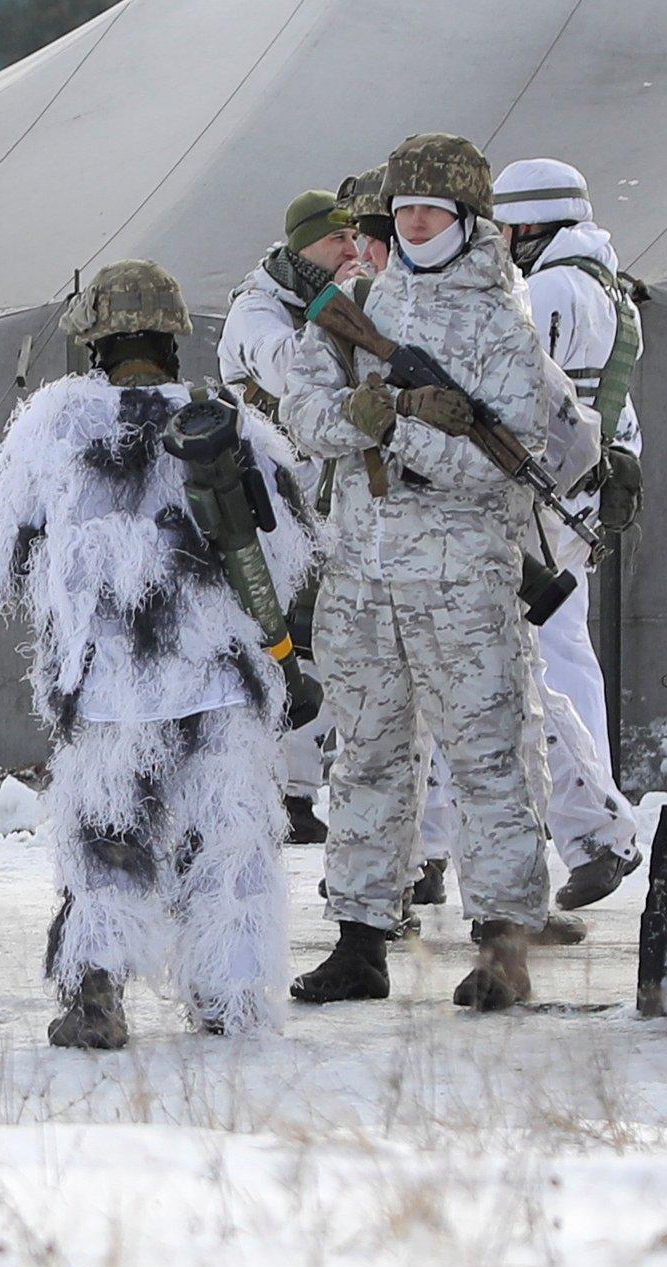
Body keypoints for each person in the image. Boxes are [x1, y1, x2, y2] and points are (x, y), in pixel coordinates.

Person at [0, 260, 314, 1048]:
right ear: (172, 338)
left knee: (104, 842)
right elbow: (288, 552)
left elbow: (6, 565)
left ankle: (95, 992)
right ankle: (228, 1000)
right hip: (221, 679)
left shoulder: (51, 423)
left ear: (92, 338)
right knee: (230, 846)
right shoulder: (229, 422)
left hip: (108, 689)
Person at [283, 133, 552, 1011]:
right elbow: (304, 416)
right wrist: (372, 413)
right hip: (363, 574)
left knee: (486, 758)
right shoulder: (358, 306)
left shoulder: (505, 328)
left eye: (434, 212)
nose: (418, 224)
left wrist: (405, 431)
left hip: (462, 581)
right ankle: (361, 937)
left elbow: (504, 463)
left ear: (470, 221)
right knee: (363, 757)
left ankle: (504, 941)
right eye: (404, 212)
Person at [491, 156, 645, 910]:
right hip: (578, 495)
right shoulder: (606, 282)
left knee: (546, 663)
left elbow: (529, 396)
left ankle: (593, 821)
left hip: (543, 496)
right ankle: (594, 814)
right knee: (568, 652)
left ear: (529, 223)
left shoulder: (550, 288)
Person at [217, 189, 362, 847]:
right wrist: (346, 316)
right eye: (338, 241)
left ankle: (298, 792)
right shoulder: (257, 311)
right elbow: (289, 372)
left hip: (323, 507)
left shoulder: (325, 303)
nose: (352, 253)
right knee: (281, 652)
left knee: (320, 652)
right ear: (304, 245)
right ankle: (280, 791)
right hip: (267, 513)